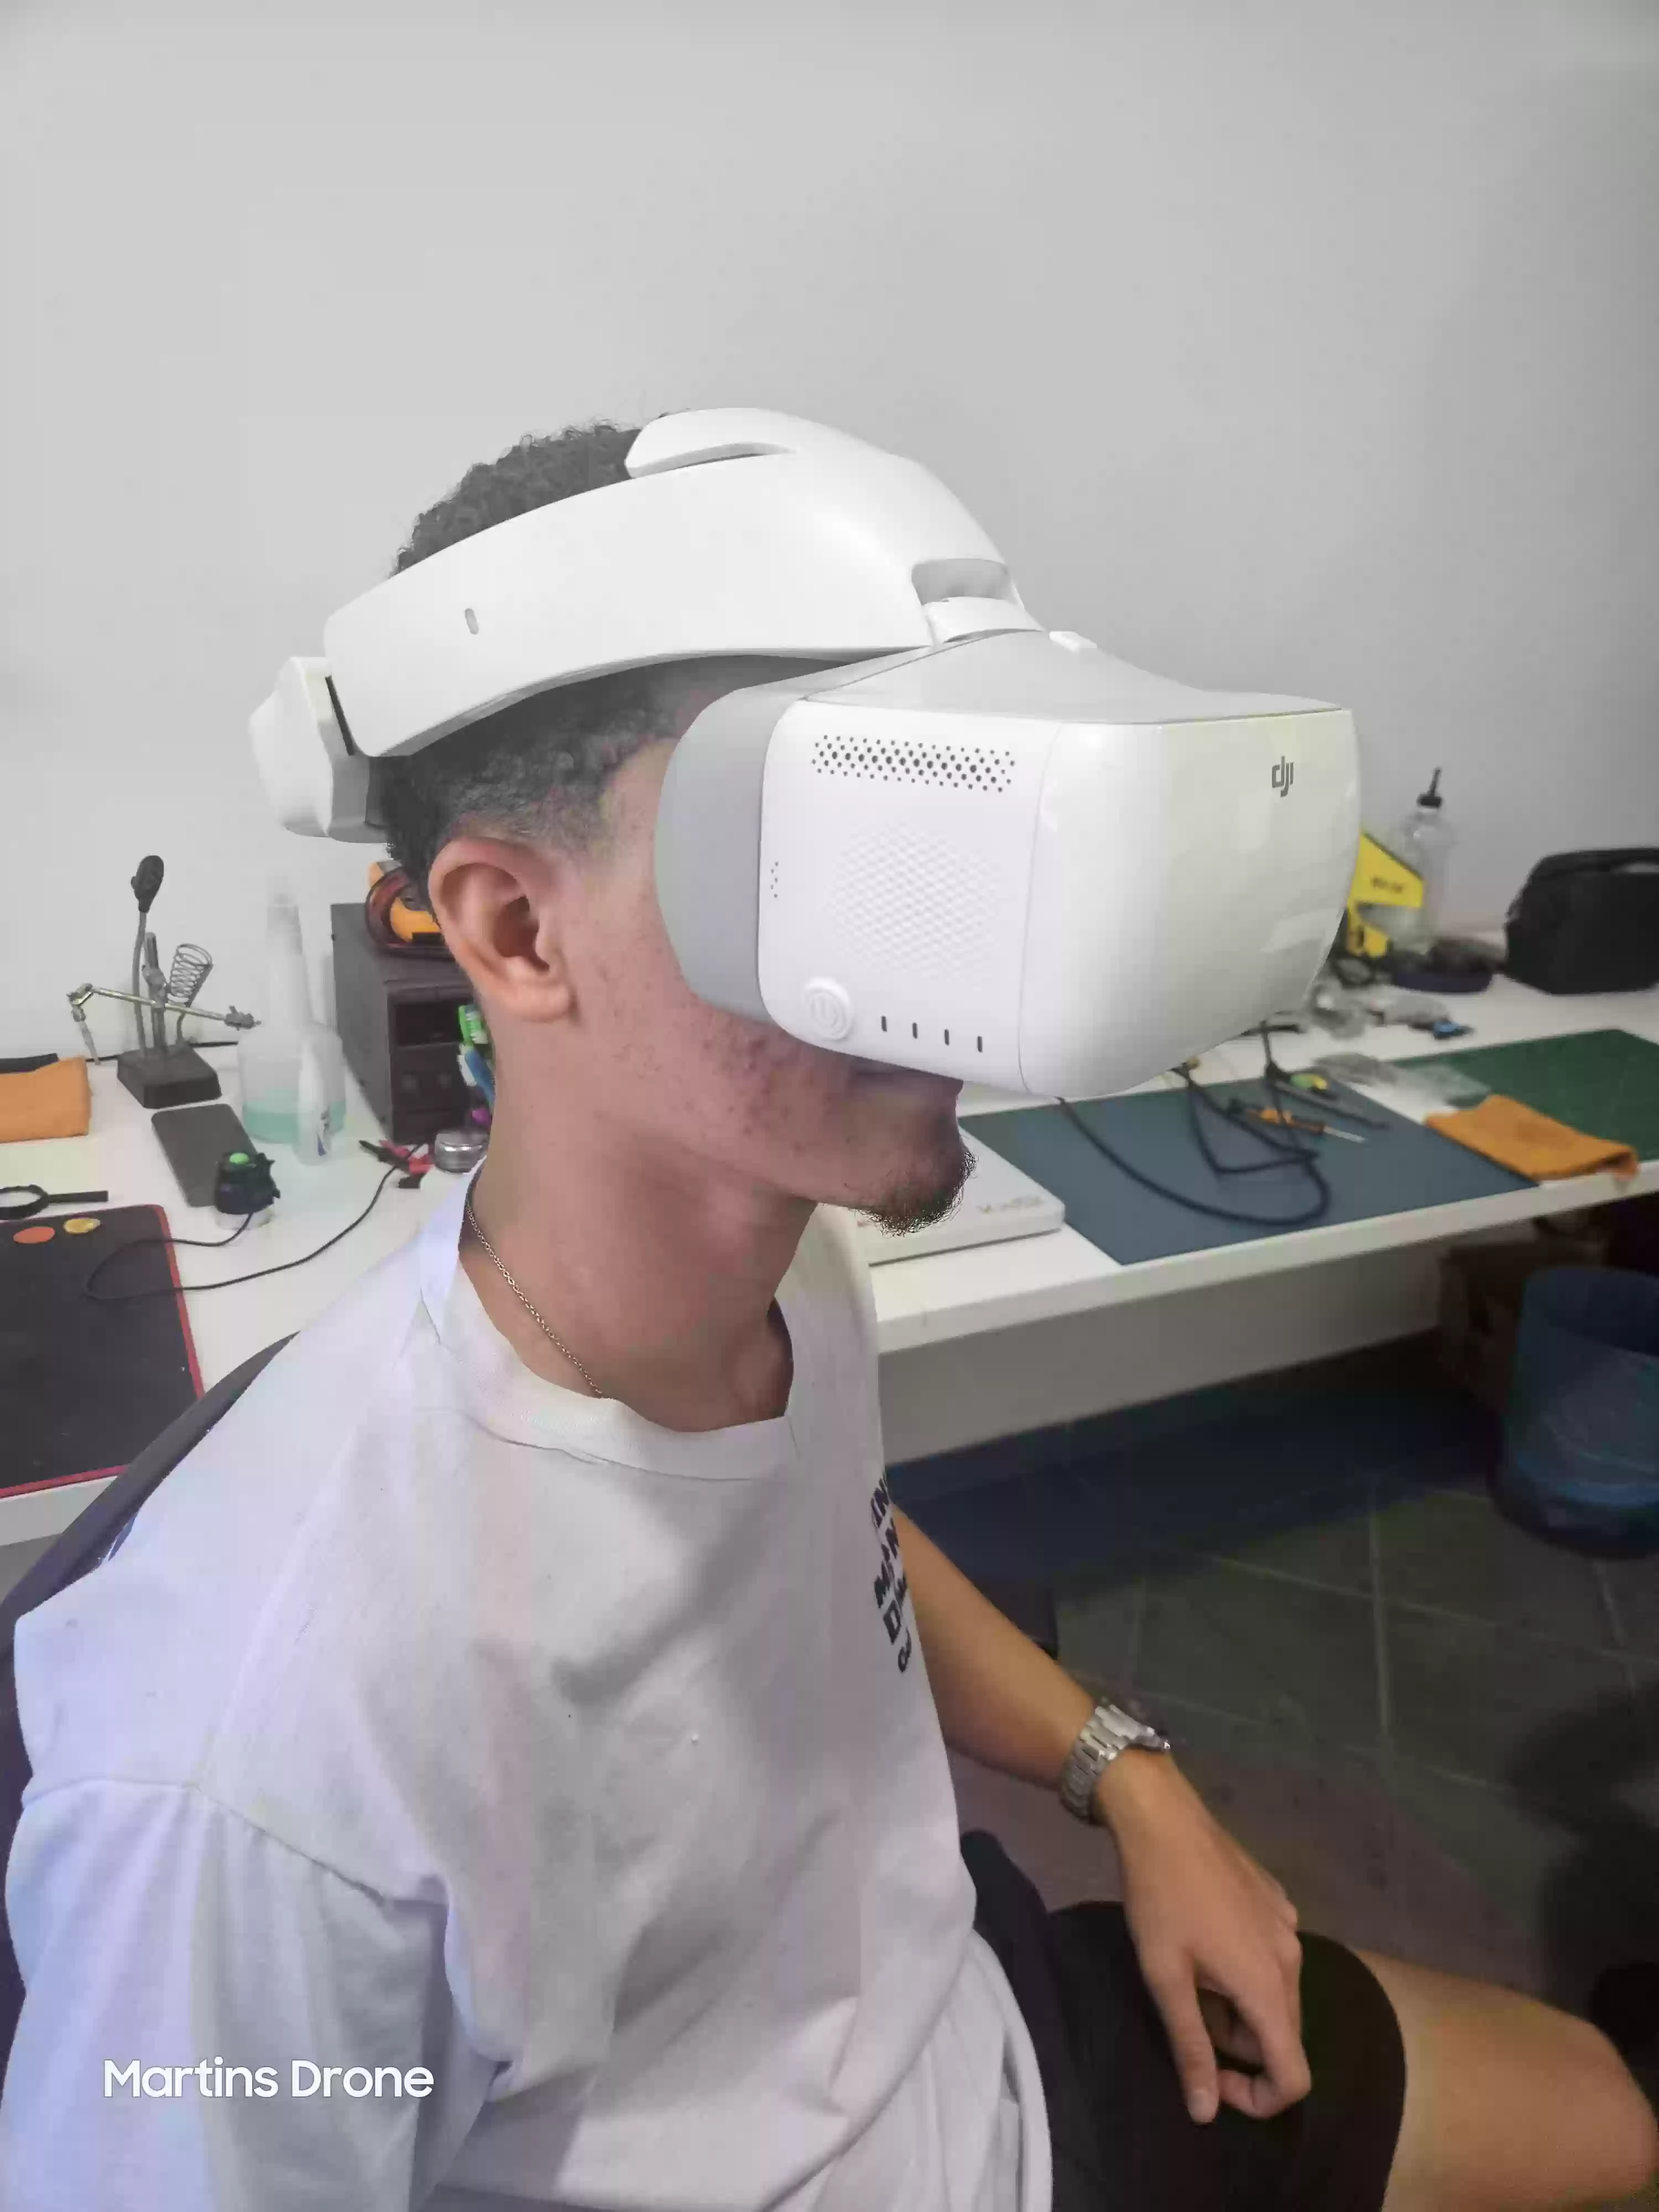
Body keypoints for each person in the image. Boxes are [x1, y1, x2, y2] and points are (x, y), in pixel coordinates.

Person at [3, 421, 1655, 2212]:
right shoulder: (260, 1765)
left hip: (976, 2035)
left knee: (1610, 2123)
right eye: (848, 853)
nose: (954, 974)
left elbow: (822, 1530)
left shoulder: (788, 1261)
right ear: (518, 932)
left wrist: (1131, 1779)